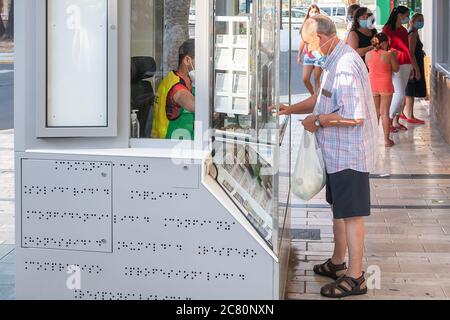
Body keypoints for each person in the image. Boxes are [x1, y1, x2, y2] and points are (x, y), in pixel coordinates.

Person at [280, 15, 378, 298]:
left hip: (350, 155)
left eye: (308, 43)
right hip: (336, 154)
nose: (307, 50)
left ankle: (356, 277)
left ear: (321, 38)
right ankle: (337, 262)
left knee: (352, 215)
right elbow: (319, 99)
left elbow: (354, 116)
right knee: (340, 209)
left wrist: (318, 121)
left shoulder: (345, 65)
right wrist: (289, 109)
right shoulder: (333, 61)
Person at [151, 39, 196, 140]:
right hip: (169, 145)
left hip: (182, 145)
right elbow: (199, 107)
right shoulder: (177, 87)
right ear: (187, 60)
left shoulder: (180, 79)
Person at [366, 33, 400, 148]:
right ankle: (386, 140)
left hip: (372, 85)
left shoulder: (367, 54)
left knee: (375, 112)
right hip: (385, 85)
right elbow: (396, 69)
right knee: (384, 113)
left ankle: (373, 140)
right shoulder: (388, 55)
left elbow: (369, 67)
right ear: (384, 43)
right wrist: (394, 56)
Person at [382, 6, 413, 132]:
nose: (407, 18)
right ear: (399, 15)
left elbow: (407, 49)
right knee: (399, 95)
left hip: (406, 63)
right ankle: (388, 120)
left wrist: (411, 66)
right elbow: (384, 47)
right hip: (396, 64)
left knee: (402, 94)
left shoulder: (404, 30)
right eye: (405, 15)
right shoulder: (387, 29)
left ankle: (395, 121)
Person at [402, 13, 427, 125]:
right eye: (419, 20)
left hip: (413, 64)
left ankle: (402, 113)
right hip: (413, 65)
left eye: (422, 20)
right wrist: (416, 70)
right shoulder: (412, 34)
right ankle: (410, 116)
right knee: (410, 92)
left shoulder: (414, 32)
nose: (421, 22)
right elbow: (411, 54)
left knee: (407, 91)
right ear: (412, 21)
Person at [297, 4, 323, 95]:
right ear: (308, 13)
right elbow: (303, 40)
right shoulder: (306, 25)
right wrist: (299, 55)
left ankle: (319, 100)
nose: (314, 13)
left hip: (319, 54)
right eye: (311, 11)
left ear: (319, 12)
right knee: (305, 79)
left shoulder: (322, 24)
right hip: (308, 55)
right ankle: (313, 96)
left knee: (317, 79)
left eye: (316, 11)